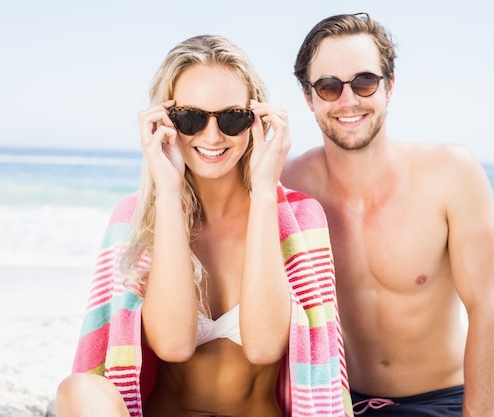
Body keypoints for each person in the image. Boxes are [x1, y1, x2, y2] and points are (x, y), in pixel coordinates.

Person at [56, 35, 353, 417]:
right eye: (191, 118)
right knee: (79, 390)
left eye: (231, 118)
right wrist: (167, 192)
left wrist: (264, 192)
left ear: (256, 120)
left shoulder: (299, 217)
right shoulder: (134, 217)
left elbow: (264, 346)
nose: (212, 137)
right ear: (165, 120)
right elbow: (173, 345)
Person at [281, 13, 494, 417]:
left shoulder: (452, 174)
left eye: (364, 82)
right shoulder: (287, 186)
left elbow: (488, 309)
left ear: (389, 87)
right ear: (309, 98)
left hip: (441, 401)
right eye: (329, 87)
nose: (348, 101)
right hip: (333, 402)